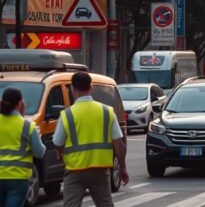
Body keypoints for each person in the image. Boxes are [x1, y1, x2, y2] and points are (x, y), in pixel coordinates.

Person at [54, 72, 128, 207]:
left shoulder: (67, 115)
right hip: (100, 170)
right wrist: (122, 168)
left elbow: (57, 143)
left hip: (74, 171)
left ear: (72, 89)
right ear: (91, 87)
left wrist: (60, 153)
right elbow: (119, 145)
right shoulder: (107, 112)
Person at [0, 88, 46, 207]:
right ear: (20, 103)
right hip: (18, 179)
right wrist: (38, 136)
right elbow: (39, 153)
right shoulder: (27, 126)